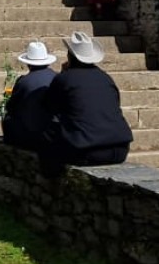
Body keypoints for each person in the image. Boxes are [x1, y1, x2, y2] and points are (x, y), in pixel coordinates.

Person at [37, 31, 132, 176]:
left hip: (87, 151)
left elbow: (48, 108)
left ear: (70, 56)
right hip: (120, 149)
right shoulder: (106, 78)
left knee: (46, 133)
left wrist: (63, 76)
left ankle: (50, 182)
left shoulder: (65, 79)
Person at [2, 41, 59, 151]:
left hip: (33, 134)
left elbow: (11, 107)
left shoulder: (24, 82)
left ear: (28, 63)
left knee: (8, 120)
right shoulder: (58, 77)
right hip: (55, 131)